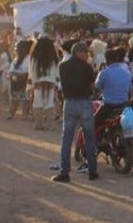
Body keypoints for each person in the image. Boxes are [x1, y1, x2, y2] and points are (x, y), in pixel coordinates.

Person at [53, 42, 98, 183]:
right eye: (86, 53)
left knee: (67, 139)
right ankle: (92, 171)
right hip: (84, 103)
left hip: (69, 103)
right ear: (80, 52)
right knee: (89, 137)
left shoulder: (62, 66)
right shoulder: (87, 67)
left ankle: (64, 172)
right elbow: (92, 85)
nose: (87, 56)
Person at [94, 46, 132, 130]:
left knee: (92, 124)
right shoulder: (126, 72)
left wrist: (100, 71)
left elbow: (96, 88)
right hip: (124, 105)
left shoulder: (104, 73)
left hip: (109, 107)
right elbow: (130, 92)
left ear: (107, 60)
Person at [30, 36, 61, 130]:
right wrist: (57, 85)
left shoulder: (35, 59)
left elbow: (32, 72)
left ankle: (38, 124)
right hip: (50, 84)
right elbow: (57, 73)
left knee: (37, 103)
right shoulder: (54, 59)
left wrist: (32, 84)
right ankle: (51, 125)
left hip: (38, 84)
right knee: (50, 103)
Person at [7, 39, 33, 120]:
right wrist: (13, 75)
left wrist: (21, 75)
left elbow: (29, 71)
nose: (15, 50)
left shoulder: (28, 58)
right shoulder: (16, 58)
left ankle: (25, 115)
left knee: (25, 99)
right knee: (14, 98)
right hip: (15, 81)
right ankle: (11, 113)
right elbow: (10, 70)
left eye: (17, 48)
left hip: (24, 81)